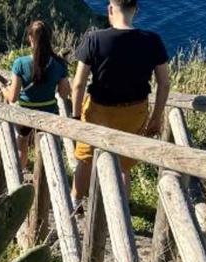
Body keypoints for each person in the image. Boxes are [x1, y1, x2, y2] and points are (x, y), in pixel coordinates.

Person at [68, 0, 170, 207]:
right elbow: (164, 83)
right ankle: (120, 210)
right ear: (136, 11)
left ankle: (76, 202)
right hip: (135, 110)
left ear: (110, 9)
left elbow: (78, 84)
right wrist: (156, 117)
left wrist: (76, 115)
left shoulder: (94, 38)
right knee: (123, 165)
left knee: (86, 158)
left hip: (99, 110)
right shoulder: (152, 40)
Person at [0, 20, 72, 171]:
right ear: (50, 39)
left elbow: (12, 97)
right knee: (48, 148)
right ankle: (46, 180)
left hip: (24, 112)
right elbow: (64, 94)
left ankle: (19, 179)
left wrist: (2, 88)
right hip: (49, 112)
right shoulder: (59, 64)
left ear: (30, 38)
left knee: (22, 145)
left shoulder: (20, 63)